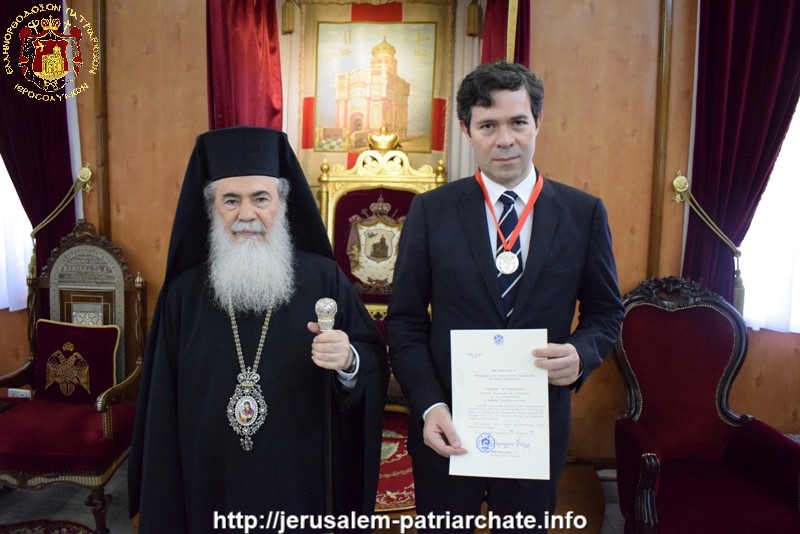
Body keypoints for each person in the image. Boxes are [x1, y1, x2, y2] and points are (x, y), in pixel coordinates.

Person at [386, 61, 624, 532]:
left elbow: (606, 314)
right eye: (488, 125)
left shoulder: (583, 214)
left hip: (533, 429)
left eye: (518, 122)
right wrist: (430, 406)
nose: (505, 139)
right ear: (466, 130)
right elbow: (406, 322)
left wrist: (580, 354)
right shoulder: (431, 212)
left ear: (537, 122)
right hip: (446, 427)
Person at [128, 126, 389, 533]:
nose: (246, 215)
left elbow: (371, 359)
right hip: (208, 483)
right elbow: (160, 404)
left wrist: (349, 360)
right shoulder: (183, 294)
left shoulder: (324, 279)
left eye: (260, 199)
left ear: (283, 204)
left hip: (298, 483)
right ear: (212, 206)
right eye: (231, 200)